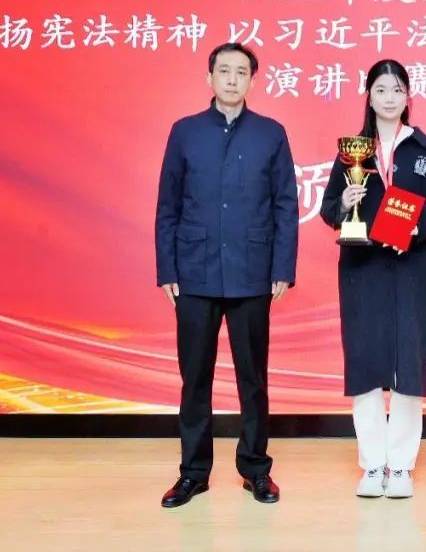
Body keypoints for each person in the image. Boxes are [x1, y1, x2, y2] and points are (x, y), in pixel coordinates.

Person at [155, 42, 298, 508]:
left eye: (241, 72)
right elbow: (168, 205)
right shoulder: (185, 132)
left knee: (252, 378)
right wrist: (167, 268)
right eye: (224, 71)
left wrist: (282, 268)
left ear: (253, 80)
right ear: (209, 78)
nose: (232, 79)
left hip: (252, 272)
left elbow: (285, 205)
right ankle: (193, 473)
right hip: (194, 272)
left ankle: (256, 469)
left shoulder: (271, 134)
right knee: (194, 378)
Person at [319, 59, 426, 499]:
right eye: (381, 89)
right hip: (362, 270)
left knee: (408, 365)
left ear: (408, 96)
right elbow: (328, 210)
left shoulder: (424, 149)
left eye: (397, 89)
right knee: (364, 364)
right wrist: (345, 201)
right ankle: (372, 463)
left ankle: (400, 466)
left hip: (410, 269)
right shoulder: (352, 153)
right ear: (369, 96)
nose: (390, 98)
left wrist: (415, 228)